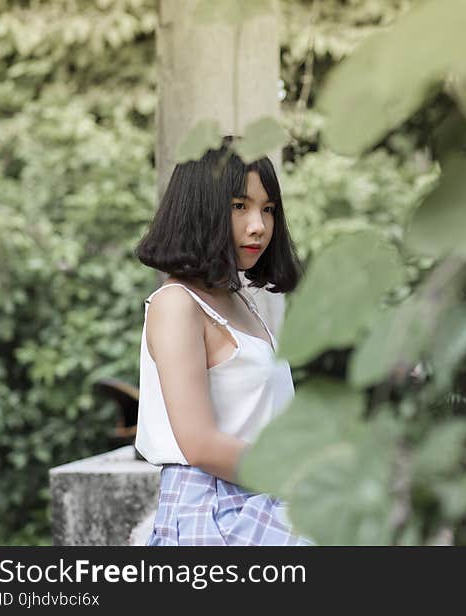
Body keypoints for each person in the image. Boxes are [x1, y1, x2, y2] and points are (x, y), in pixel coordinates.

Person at [134, 136, 313, 546]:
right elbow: (199, 444)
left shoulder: (239, 301)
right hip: (216, 509)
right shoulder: (177, 304)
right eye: (240, 207)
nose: (259, 226)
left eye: (268, 209)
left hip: (263, 495)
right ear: (201, 209)